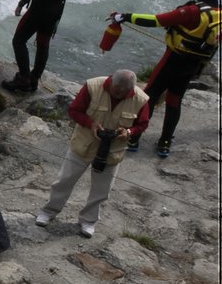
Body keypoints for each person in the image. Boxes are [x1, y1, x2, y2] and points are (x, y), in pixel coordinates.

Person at [111, 0, 222, 159]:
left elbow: (156, 20)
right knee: (174, 101)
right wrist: (201, 66)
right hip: (193, 64)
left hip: (173, 59)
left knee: (149, 96)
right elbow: (213, 45)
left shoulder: (192, 11)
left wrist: (124, 16)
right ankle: (165, 142)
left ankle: (134, 138)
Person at [36, 69, 150, 238]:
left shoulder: (141, 99)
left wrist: (129, 132)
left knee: (102, 190)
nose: (118, 94)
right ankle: (49, 211)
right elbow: (74, 111)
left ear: (131, 89)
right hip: (84, 144)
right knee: (64, 180)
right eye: (116, 90)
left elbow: (142, 124)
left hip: (112, 151)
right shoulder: (92, 86)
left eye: (123, 92)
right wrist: (91, 124)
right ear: (111, 81)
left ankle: (88, 221)